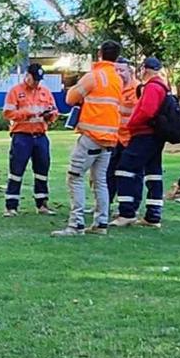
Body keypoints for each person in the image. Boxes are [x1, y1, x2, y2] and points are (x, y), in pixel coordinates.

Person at [53, 41, 123, 237]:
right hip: (109, 138)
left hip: (91, 136)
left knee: (75, 177)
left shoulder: (93, 77)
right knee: (100, 180)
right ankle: (101, 222)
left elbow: (70, 99)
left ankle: (76, 224)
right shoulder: (117, 79)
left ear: (99, 53)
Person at [111, 57, 169, 229]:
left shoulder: (152, 87)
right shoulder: (163, 86)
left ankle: (127, 212)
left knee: (124, 169)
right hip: (155, 136)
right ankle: (153, 215)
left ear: (145, 69)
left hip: (144, 134)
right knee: (153, 173)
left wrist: (132, 124)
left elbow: (147, 111)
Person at [2, 64, 58, 216]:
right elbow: (8, 113)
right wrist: (28, 112)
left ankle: (42, 204)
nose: (36, 83)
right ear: (27, 76)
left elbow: (54, 110)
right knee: (16, 171)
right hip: (22, 136)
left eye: (39, 80)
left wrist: (50, 114)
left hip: (40, 137)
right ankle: (11, 206)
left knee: (42, 171)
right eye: (34, 79)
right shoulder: (15, 92)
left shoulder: (45, 92)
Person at [104, 58, 138, 205]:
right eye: (115, 70)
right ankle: (106, 203)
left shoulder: (137, 89)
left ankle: (131, 206)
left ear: (130, 72)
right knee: (109, 173)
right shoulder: (112, 88)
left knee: (131, 174)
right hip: (114, 137)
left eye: (122, 70)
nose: (118, 73)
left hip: (131, 138)